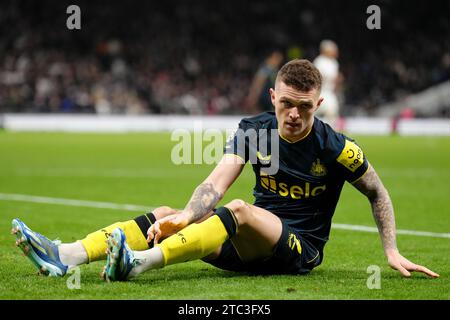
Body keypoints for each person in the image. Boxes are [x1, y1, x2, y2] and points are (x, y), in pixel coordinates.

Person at [12, 59, 439, 281]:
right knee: (165, 214)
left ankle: (138, 264)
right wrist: (185, 215)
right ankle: (66, 255)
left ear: (319, 105)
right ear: (273, 96)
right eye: (286, 103)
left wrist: (390, 250)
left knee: (242, 209)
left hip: (297, 251)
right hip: (246, 246)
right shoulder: (254, 131)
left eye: (304, 107)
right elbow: (216, 180)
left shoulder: (337, 147)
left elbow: (377, 191)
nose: (293, 114)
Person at [313, 40, 342, 127]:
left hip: (329, 92)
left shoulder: (334, 63)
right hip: (320, 91)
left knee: (332, 113)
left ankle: (328, 134)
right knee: (313, 113)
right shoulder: (319, 61)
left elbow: (335, 79)